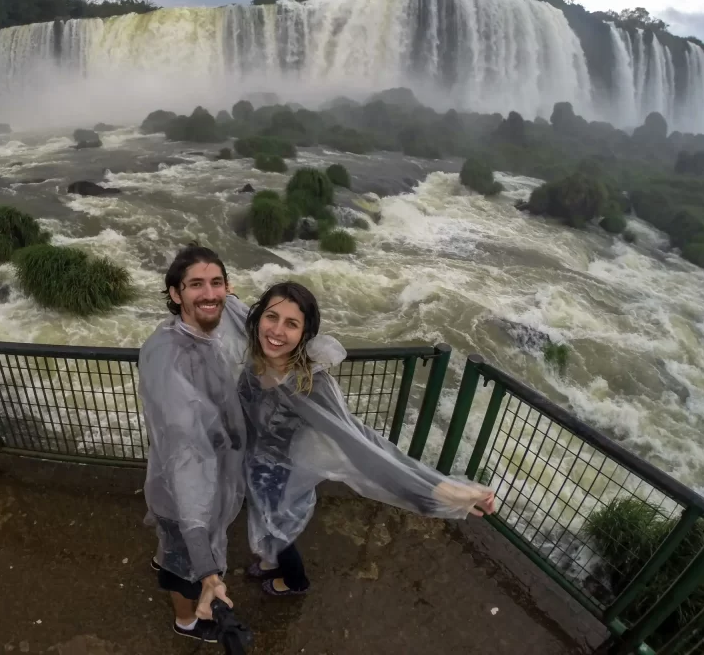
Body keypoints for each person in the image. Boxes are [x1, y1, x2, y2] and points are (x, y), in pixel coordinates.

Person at [238, 281, 497, 596]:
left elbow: (362, 447)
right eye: (271, 317)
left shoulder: (311, 387)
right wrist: (221, 294)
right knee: (264, 518)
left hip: (282, 473)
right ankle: (269, 561)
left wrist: (438, 490)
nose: (277, 330)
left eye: (291, 324)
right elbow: (231, 313)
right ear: (258, 318)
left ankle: (293, 581)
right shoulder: (255, 354)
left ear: (305, 335)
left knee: (276, 525)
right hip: (256, 463)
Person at [138, 244, 251, 643]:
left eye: (216, 283)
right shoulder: (171, 358)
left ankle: (165, 558)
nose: (209, 293)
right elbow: (186, 464)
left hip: (202, 472)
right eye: (196, 285)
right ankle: (186, 622)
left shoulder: (206, 326)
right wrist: (207, 569)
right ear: (175, 294)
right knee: (182, 568)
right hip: (183, 492)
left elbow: (238, 309)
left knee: (172, 547)